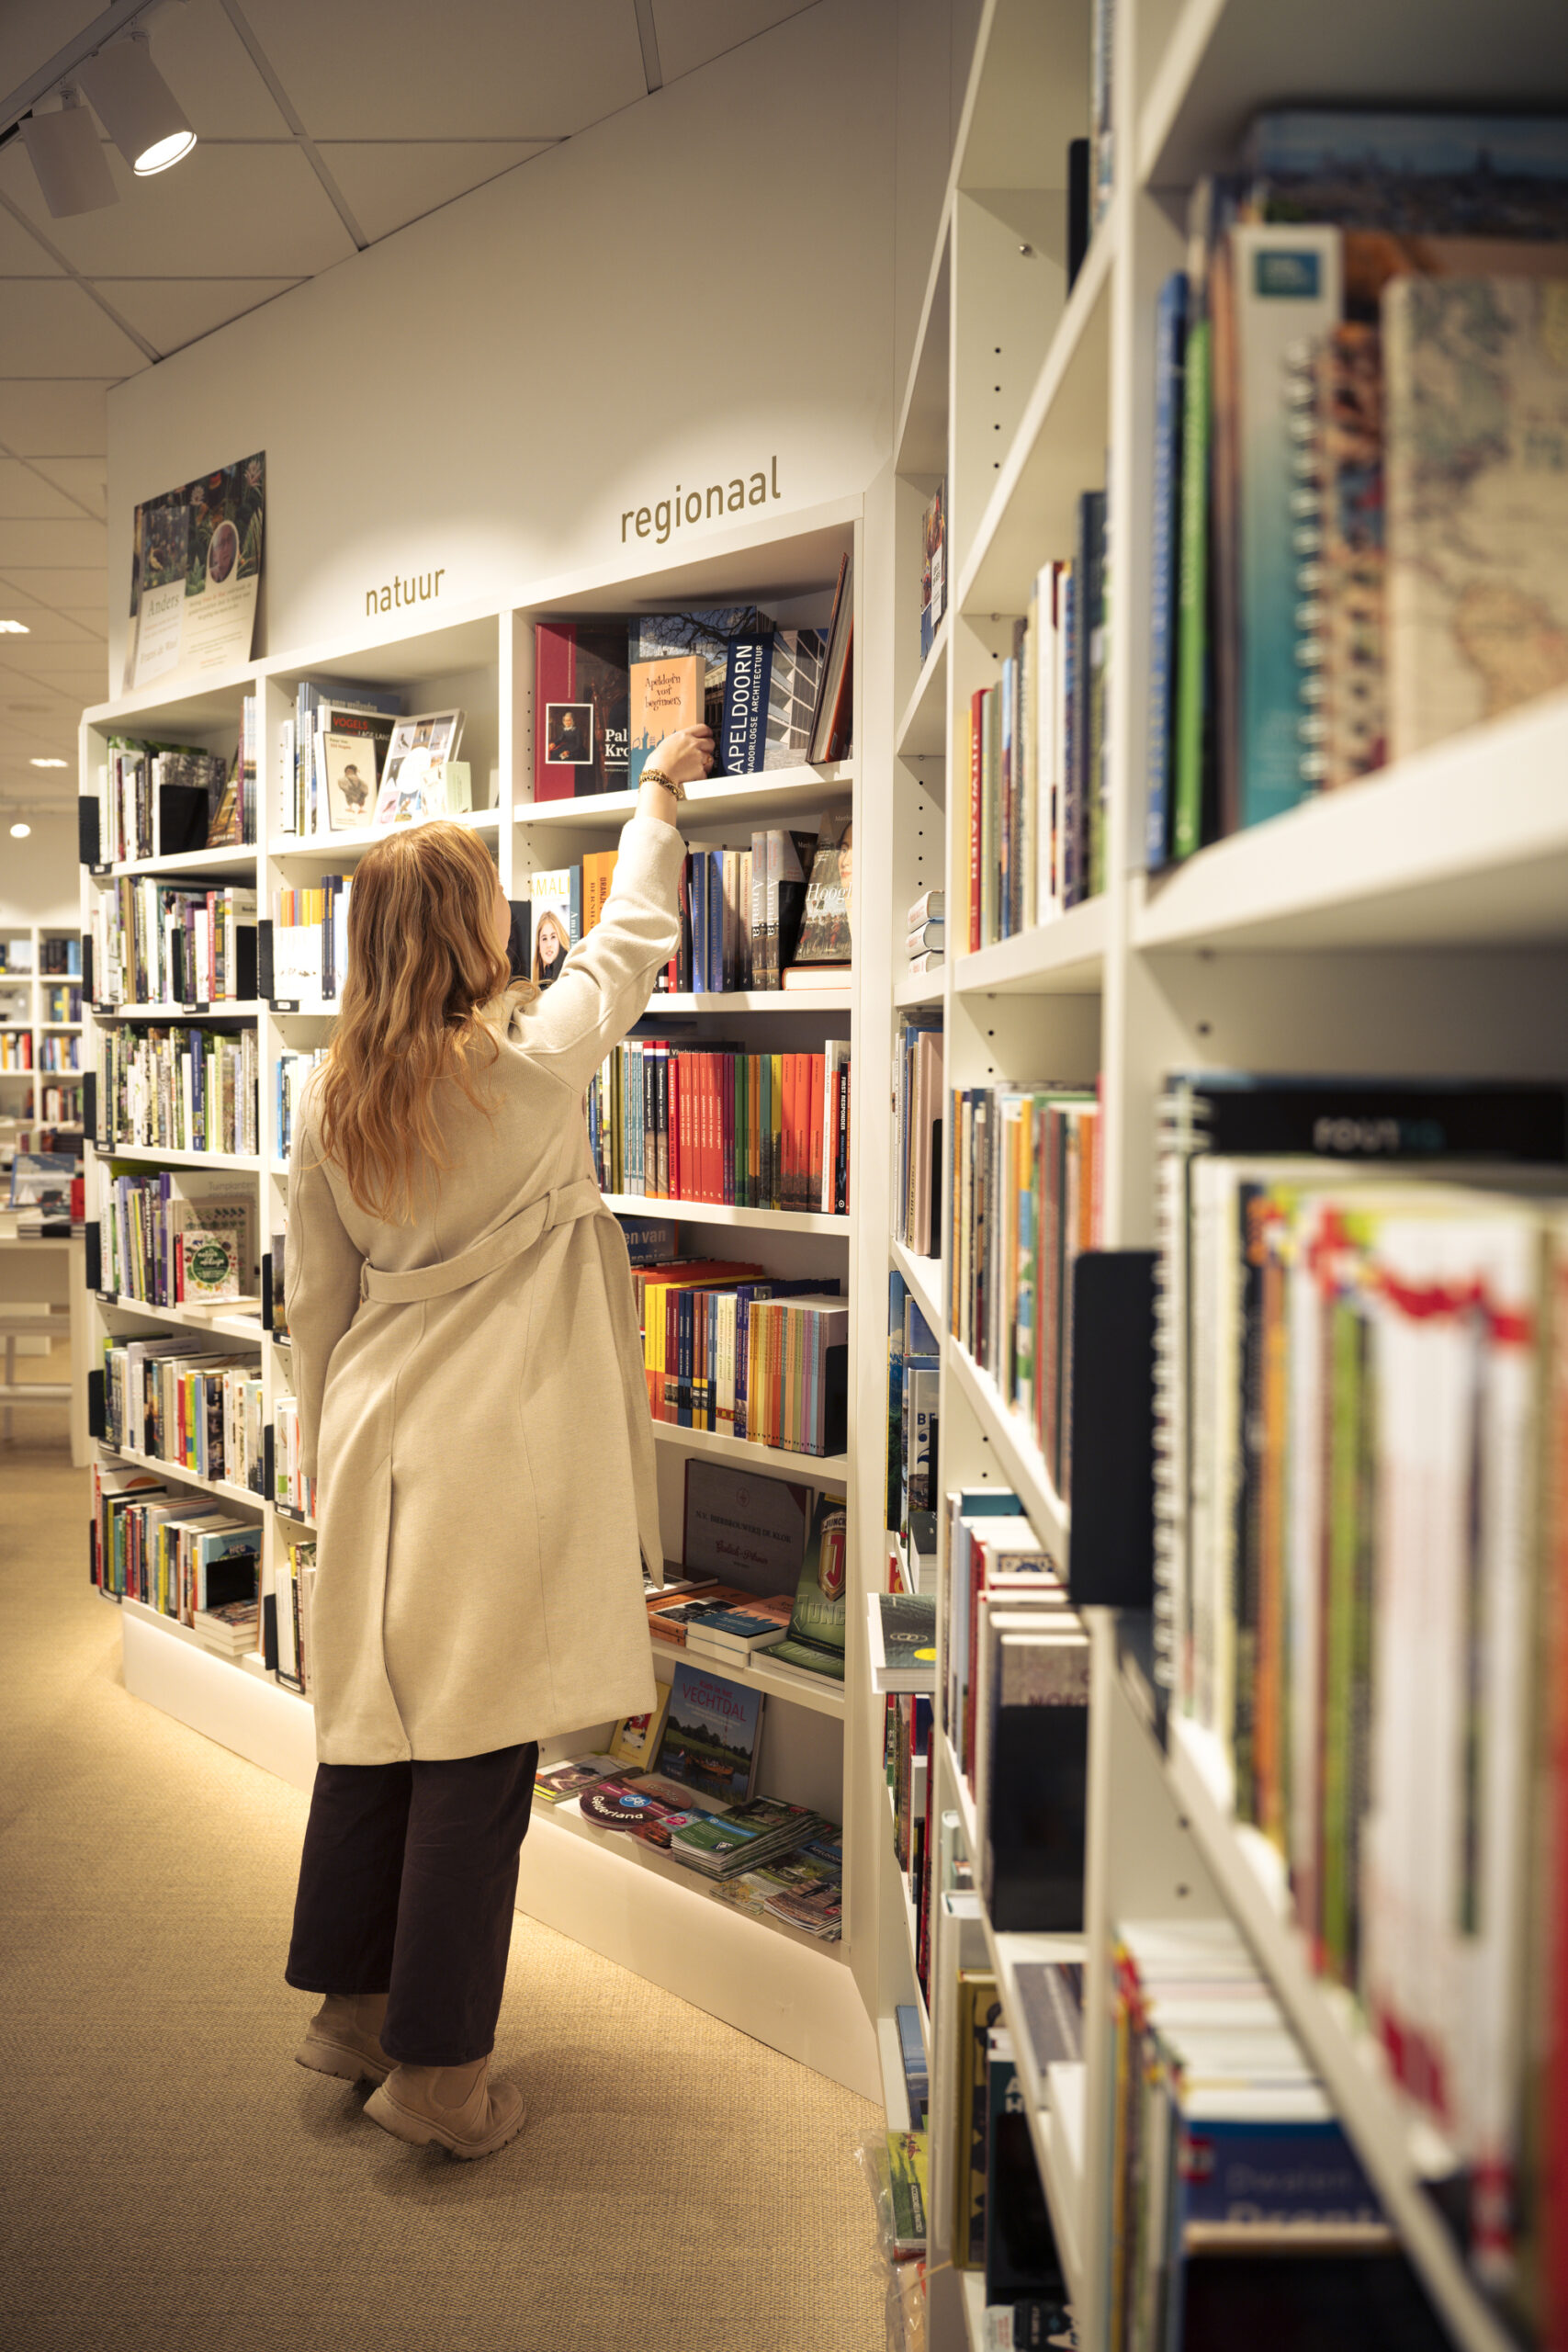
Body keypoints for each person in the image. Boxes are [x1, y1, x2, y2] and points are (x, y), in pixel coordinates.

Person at [283, 722, 714, 2159]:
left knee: (373, 1728)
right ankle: (444, 2080)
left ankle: (352, 2012)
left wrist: (314, 1452)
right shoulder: (526, 1060)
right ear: (474, 926)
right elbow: (633, 935)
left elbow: (312, 1305)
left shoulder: (325, 1097)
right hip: (492, 1445)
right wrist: (657, 792)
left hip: (372, 1431)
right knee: (476, 1753)